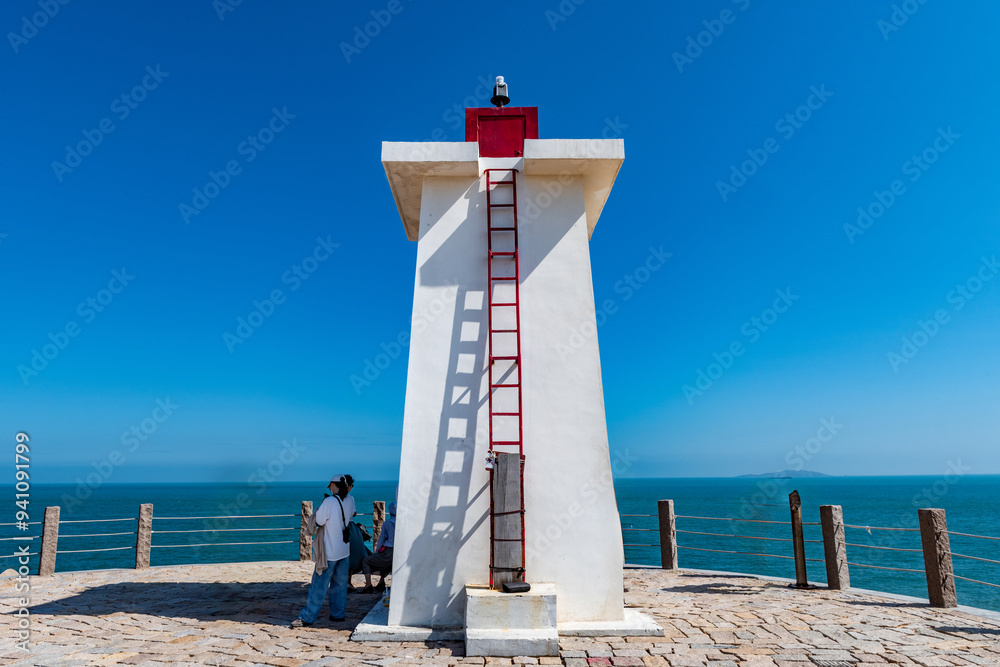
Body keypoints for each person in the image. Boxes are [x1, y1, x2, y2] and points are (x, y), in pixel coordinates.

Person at [291, 474, 355, 627]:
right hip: (344, 550)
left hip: (329, 551)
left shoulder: (329, 501)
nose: (329, 487)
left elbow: (319, 521)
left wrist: (320, 509)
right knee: (339, 585)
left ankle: (307, 617)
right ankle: (338, 614)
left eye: (331, 484)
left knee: (319, 585)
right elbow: (350, 517)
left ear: (336, 485)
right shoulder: (350, 499)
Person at [360, 501, 395, 593]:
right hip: (398, 553)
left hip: (388, 551)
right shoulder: (403, 522)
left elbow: (381, 540)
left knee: (366, 561)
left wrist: (377, 551)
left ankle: (368, 585)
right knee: (386, 561)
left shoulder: (387, 523)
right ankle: (381, 582)